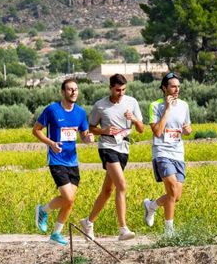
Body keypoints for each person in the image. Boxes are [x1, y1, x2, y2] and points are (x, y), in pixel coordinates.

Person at [79, 74, 143, 242]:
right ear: (110, 88)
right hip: (107, 147)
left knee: (107, 191)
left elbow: (142, 129)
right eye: (117, 90)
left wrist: (134, 119)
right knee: (121, 185)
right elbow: (91, 128)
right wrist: (104, 131)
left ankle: (88, 222)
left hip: (124, 149)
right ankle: (123, 228)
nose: (121, 93)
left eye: (123, 90)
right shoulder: (100, 106)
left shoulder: (132, 102)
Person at [32, 79, 93, 246]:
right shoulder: (52, 110)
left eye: (76, 89)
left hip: (72, 161)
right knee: (68, 196)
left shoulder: (80, 112)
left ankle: (54, 231)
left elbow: (84, 134)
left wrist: (88, 138)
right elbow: (36, 130)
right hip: (56, 160)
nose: (74, 92)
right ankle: (44, 211)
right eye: (70, 89)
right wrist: (51, 143)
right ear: (63, 92)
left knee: (70, 200)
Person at [143, 72, 193, 236]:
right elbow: (157, 132)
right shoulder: (155, 106)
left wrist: (187, 130)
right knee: (172, 190)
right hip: (162, 152)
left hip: (178, 153)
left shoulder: (184, 105)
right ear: (164, 88)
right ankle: (169, 232)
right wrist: (167, 109)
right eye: (173, 86)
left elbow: (187, 129)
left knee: (176, 196)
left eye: (178, 86)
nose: (176, 89)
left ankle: (152, 206)